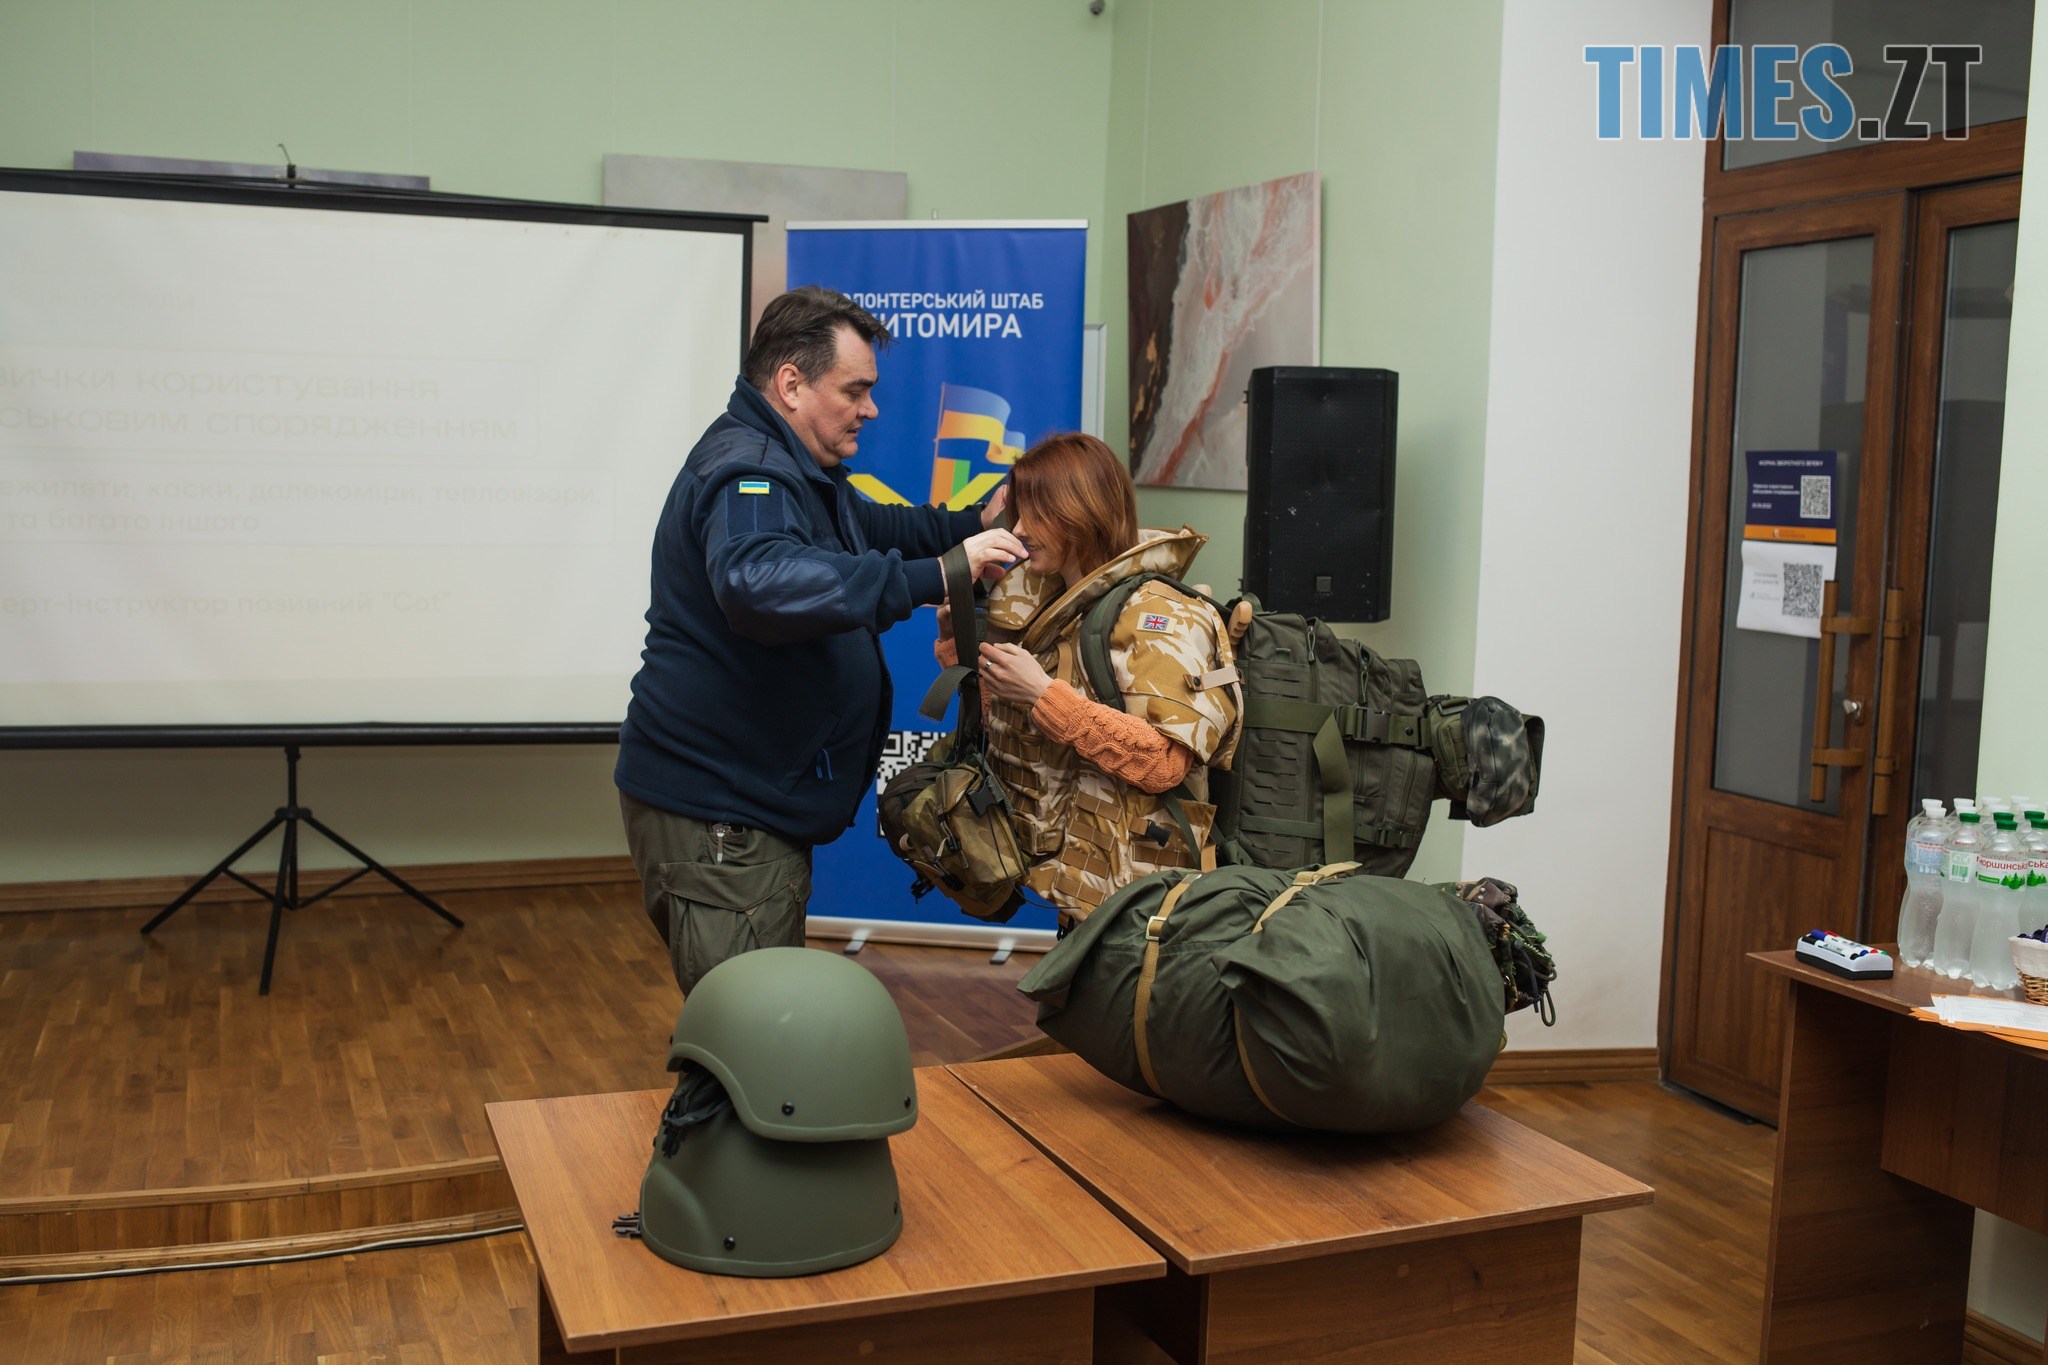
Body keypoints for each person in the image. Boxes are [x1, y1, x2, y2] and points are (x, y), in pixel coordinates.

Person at [617, 286, 1025, 992]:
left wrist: (970, 526)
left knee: (749, 1024)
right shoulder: (751, 471)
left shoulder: (800, 469)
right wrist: (941, 573)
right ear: (791, 384)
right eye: (855, 390)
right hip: (724, 813)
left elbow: (875, 528)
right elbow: (758, 584)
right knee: (750, 1029)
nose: (871, 409)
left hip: (743, 804)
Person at [940, 432, 1242, 926]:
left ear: (1077, 513)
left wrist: (1043, 694)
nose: (1019, 529)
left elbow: (1165, 763)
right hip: (1081, 888)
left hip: (1145, 905)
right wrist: (963, 648)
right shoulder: (1050, 599)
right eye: (1017, 513)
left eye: (1035, 514)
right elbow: (1008, 728)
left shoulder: (1161, 614)